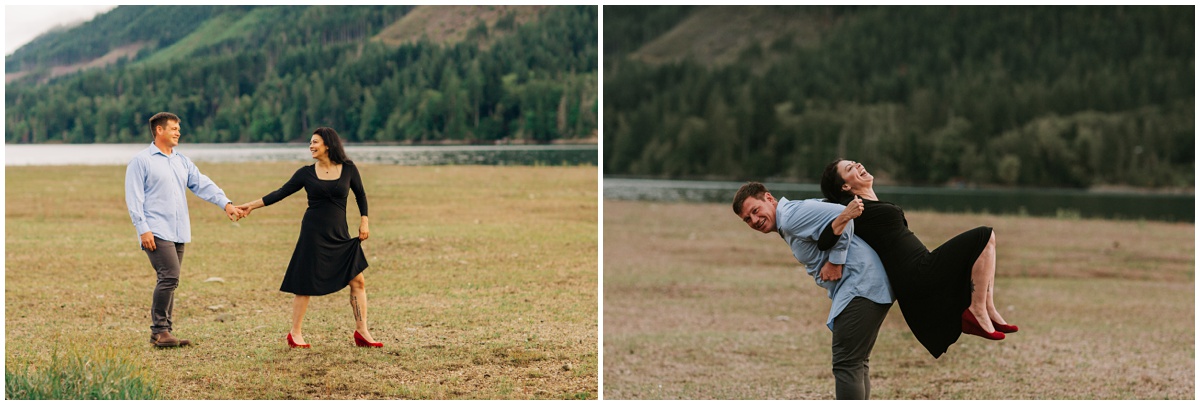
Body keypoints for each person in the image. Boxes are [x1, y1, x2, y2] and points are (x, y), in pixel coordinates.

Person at [818, 158, 1018, 359]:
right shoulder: (852, 208)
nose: (858, 165)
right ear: (845, 186)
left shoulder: (867, 204)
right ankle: (977, 310)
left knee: (986, 242)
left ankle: (987, 308)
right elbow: (824, 241)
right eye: (850, 168)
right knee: (984, 236)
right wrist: (845, 216)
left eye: (855, 162)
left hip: (921, 263)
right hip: (916, 272)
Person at [733, 182, 894, 400]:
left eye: (755, 210)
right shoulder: (789, 219)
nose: (754, 220)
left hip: (861, 284)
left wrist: (836, 260)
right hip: (865, 284)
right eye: (747, 219)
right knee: (855, 361)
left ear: (769, 199)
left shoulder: (790, 217)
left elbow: (844, 214)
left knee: (847, 363)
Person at [235, 127, 382, 349]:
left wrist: (365, 220)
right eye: (310, 143)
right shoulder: (306, 173)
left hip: (340, 235)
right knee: (304, 283)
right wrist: (250, 206)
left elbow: (360, 194)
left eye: (315, 142)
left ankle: (362, 331)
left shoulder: (348, 168)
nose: (311, 146)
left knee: (357, 280)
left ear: (328, 145)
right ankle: (295, 334)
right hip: (313, 234)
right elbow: (280, 192)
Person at [126, 112, 245, 348]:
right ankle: (159, 331)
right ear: (159, 130)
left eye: (178, 128)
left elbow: (202, 184)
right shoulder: (141, 161)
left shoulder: (181, 161)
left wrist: (226, 203)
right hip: (155, 229)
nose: (178, 132)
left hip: (178, 230)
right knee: (169, 276)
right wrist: (143, 229)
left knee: (170, 279)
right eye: (173, 128)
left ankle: (165, 332)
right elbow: (134, 198)